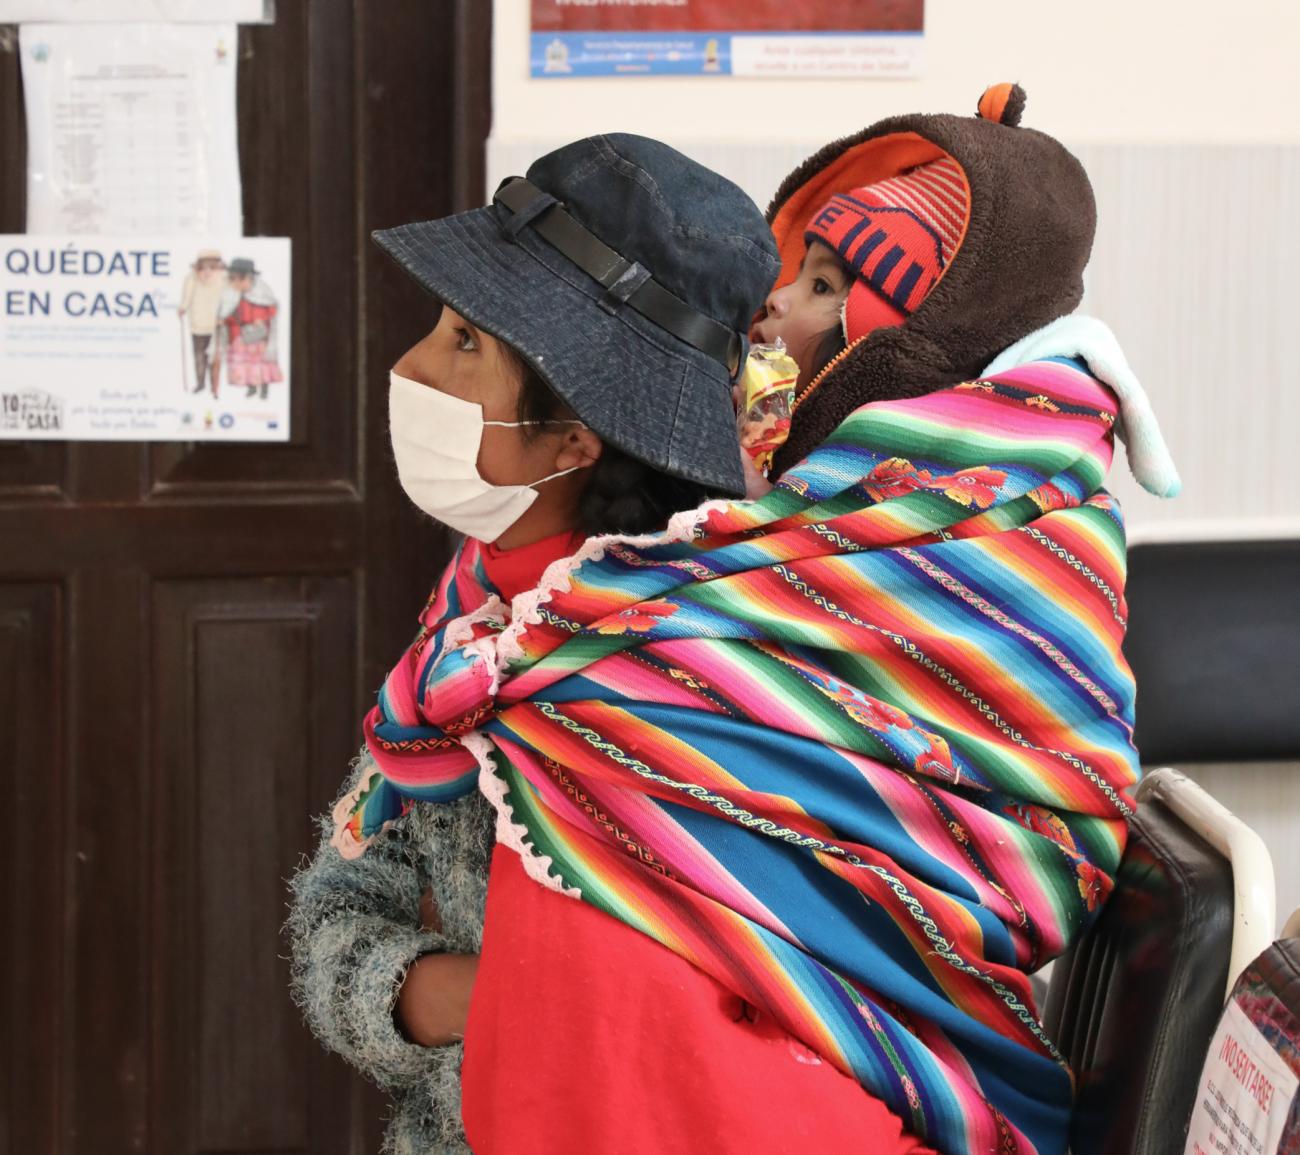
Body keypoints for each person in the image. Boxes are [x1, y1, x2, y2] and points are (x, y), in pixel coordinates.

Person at [215, 256, 283, 399]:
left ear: (249, 278)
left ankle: (264, 387)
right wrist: (224, 320)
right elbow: (232, 315)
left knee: (260, 363)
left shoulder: (261, 294)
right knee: (245, 363)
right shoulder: (232, 296)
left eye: (240, 279)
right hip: (240, 335)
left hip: (257, 336)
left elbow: (272, 308)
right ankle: (251, 386)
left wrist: (261, 319)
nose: (236, 283)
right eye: (233, 279)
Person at [178, 249, 225, 395]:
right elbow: (186, 297)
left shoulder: (225, 279)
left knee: (215, 358)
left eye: (212, 267)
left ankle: (214, 386)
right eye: (203, 268)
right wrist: (183, 308)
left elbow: (229, 299)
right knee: (199, 356)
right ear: (197, 268)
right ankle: (200, 383)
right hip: (197, 325)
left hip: (216, 325)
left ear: (219, 267)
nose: (207, 272)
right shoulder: (191, 279)